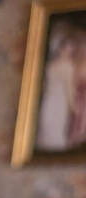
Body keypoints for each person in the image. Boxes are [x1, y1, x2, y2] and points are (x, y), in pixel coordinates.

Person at [37, 23, 77, 151]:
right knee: (54, 130)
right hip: (59, 103)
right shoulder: (67, 67)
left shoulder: (50, 65)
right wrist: (73, 107)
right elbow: (69, 89)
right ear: (61, 49)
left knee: (48, 128)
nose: (68, 52)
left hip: (49, 101)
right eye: (67, 49)